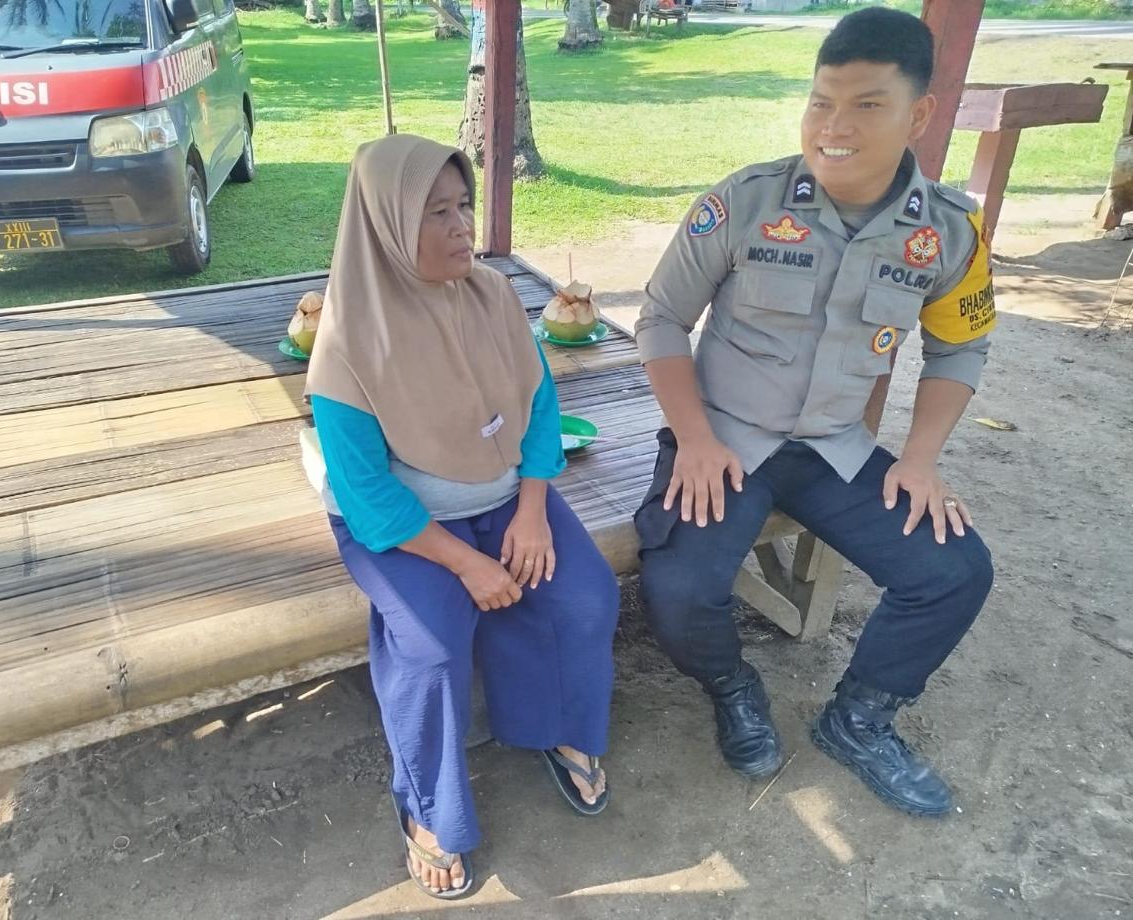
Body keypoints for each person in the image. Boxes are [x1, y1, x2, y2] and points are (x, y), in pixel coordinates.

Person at [633, 7, 996, 818]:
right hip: (725, 438)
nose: (834, 127)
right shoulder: (745, 202)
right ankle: (732, 686)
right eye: (821, 102)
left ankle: (859, 718)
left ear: (919, 116)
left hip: (835, 448)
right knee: (681, 587)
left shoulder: (947, 232)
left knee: (955, 570)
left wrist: (920, 459)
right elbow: (660, 320)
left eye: (866, 105)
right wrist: (692, 438)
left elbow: (960, 349)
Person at [304, 134, 619, 899]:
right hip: (405, 526)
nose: (461, 227)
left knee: (584, 596)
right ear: (386, 226)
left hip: (506, 495)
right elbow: (369, 497)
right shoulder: (346, 346)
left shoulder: (494, 295)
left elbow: (539, 406)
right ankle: (430, 807)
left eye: (464, 205)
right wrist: (466, 562)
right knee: (433, 642)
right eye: (435, 212)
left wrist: (533, 509)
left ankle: (554, 728)